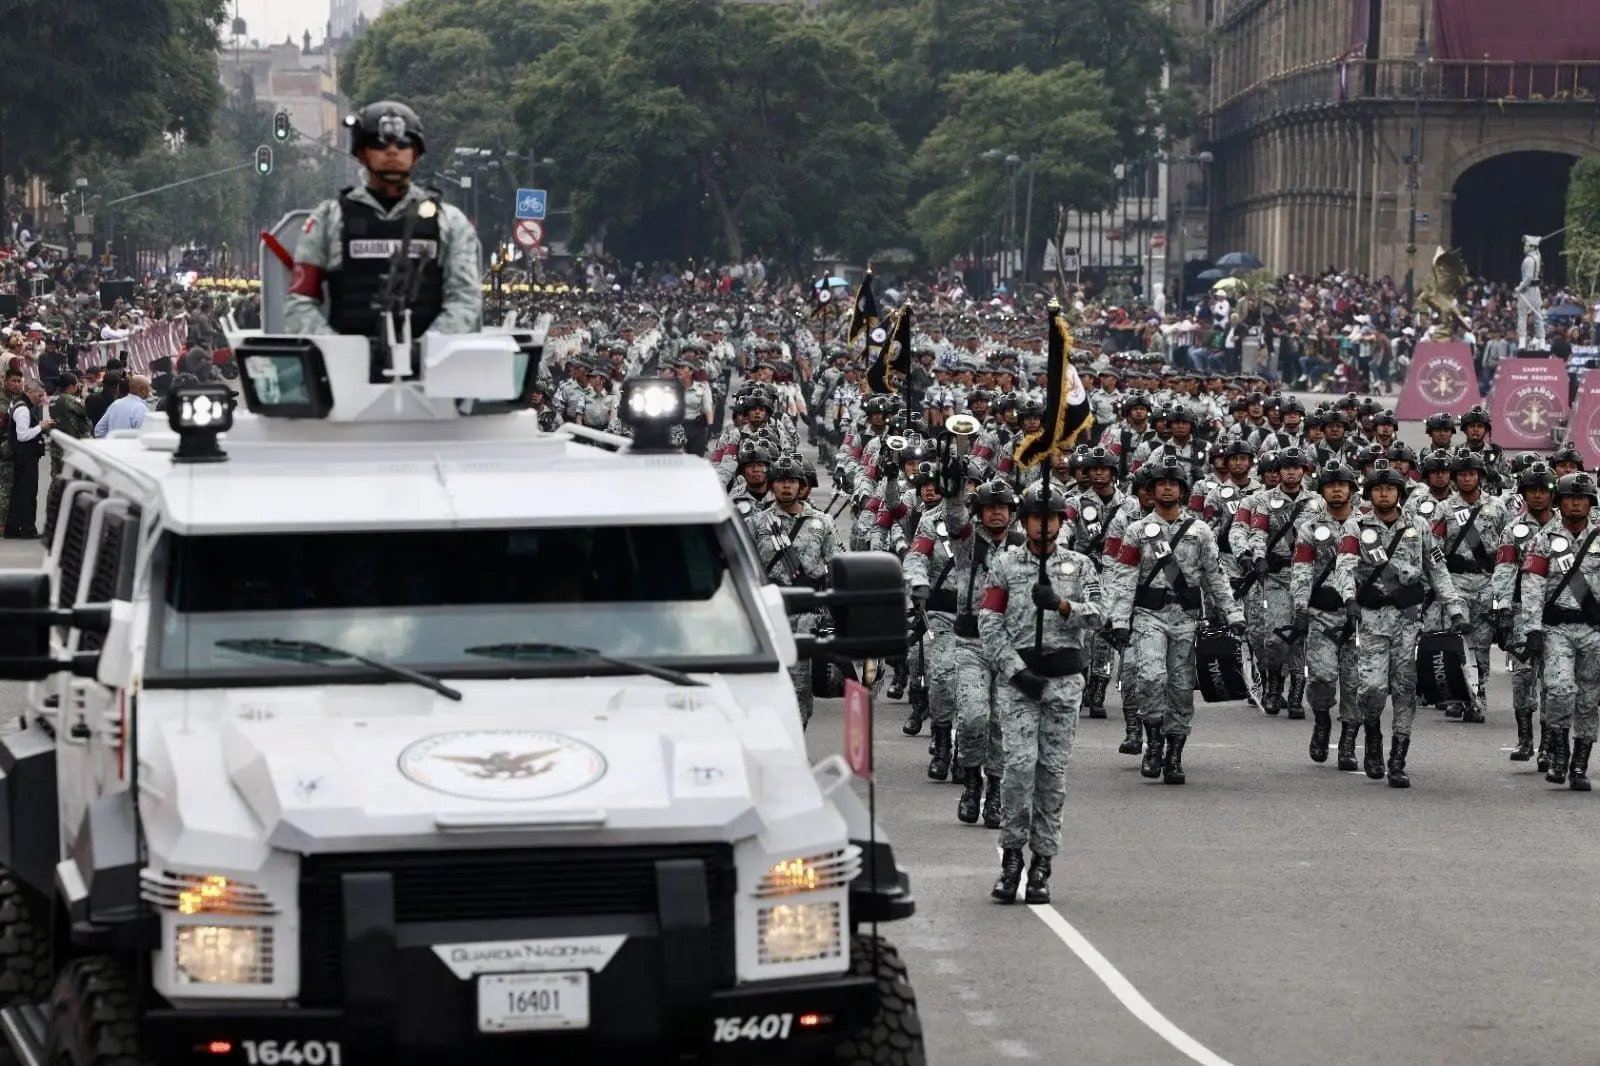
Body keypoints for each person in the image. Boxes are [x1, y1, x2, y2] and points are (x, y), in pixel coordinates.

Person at [286, 100, 483, 338]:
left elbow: (465, 298)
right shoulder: (329, 219)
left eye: (403, 143)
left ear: (416, 154)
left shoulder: (449, 222)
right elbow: (300, 301)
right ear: (361, 153)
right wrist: (338, 351)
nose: (392, 151)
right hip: (345, 370)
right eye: (378, 144)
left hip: (432, 369)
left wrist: (428, 349)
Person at [5, 381, 52, 539]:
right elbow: (22, 435)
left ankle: (12, 528)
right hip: (25, 457)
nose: (40, 398)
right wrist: (41, 426)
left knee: (19, 493)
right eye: (39, 395)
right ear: (31, 392)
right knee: (28, 494)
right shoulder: (23, 409)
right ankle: (27, 528)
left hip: (23, 456)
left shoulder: (20, 404)